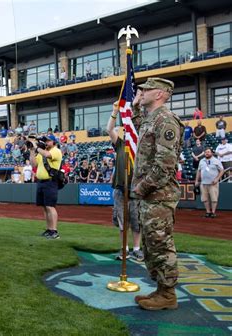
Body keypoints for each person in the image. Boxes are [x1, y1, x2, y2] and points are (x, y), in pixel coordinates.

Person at [131, 77, 184, 310]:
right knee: (151, 243)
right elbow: (139, 125)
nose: (141, 92)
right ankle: (161, 290)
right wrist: (133, 107)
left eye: (146, 89)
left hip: (159, 195)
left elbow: (165, 165)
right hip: (150, 196)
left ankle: (168, 294)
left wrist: (141, 187)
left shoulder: (166, 121)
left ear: (161, 94)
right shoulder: (151, 119)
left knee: (161, 243)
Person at [107, 100, 143, 262]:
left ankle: (137, 249)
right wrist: (115, 112)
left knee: (137, 220)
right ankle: (124, 249)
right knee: (122, 221)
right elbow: (109, 129)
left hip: (136, 189)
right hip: (120, 188)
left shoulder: (140, 147)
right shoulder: (120, 144)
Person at [29, 136, 62, 239]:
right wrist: (31, 151)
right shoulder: (41, 152)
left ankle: (54, 231)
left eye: (48, 141)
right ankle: (49, 229)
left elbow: (47, 155)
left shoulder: (56, 151)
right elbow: (33, 164)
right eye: (46, 141)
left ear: (54, 142)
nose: (46, 143)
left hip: (50, 182)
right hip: (41, 182)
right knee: (45, 207)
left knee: (50, 206)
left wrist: (37, 147)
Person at [195, 148, 224, 218]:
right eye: (205, 152)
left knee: (214, 199)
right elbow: (198, 171)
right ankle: (208, 212)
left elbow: (222, 170)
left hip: (213, 183)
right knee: (205, 199)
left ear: (211, 153)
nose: (207, 153)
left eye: (208, 152)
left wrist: (217, 179)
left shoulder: (216, 161)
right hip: (203, 183)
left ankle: (213, 212)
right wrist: (196, 180)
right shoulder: (202, 161)